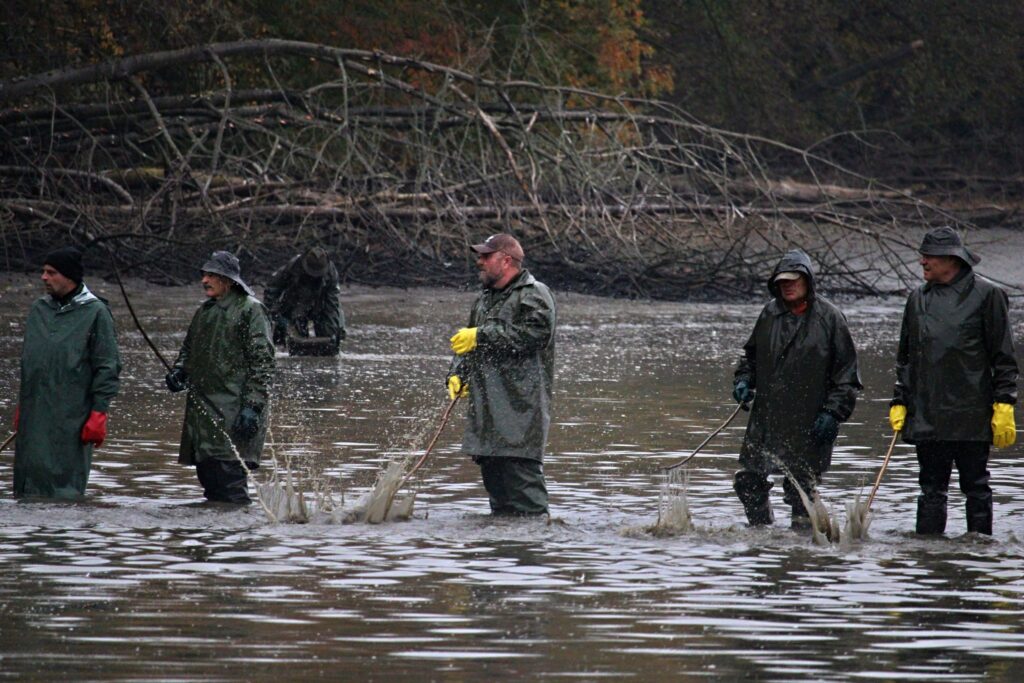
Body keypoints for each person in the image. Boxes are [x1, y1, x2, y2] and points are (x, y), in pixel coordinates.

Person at [889, 227, 1018, 536]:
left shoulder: (987, 295)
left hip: (972, 414)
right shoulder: (917, 298)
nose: (922, 262)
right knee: (931, 490)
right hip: (928, 413)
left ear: (951, 259)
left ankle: (979, 550)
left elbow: (1003, 356)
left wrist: (1004, 402)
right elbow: (906, 358)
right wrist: (900, 399)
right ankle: (929, 554)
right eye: (922, 256)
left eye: (929, 256)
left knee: (976, 487)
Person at [732, 249, 861, 528]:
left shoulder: (830, 318)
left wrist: (833, 413)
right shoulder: (769, 314)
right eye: (782, 281)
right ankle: (761, 535)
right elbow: (750, 358)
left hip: (810, 421)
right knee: (748, 481)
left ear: (807, 280)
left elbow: (847, 377)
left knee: (800, 491)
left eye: (793, 280)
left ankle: (804, 544)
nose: (787, 286)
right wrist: (743, 380)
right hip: (766, 420)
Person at [446, 233, 556, 516]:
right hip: (487, 419)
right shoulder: (484, 300)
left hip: (520, 417)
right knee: (501, 507)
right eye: (479, 256)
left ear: (506, 260)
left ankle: (535, 545)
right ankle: (501, 545)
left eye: (486, 256)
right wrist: (457, 374)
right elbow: (467, 345)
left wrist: (482, 335)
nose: (479, 261)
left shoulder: (534, 293)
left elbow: (536, 334)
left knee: (528, 508)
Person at [165, 251, 275, 504]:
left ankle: (238, 528)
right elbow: (188, 350)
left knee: (231, 485)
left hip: (234, 412)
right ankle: (215, 529)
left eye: (211, 275)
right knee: (210, 483)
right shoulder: (205, 311)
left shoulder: (251, 309)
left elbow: (263, 363)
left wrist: (252, 406)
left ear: (228, 280)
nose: (204, 280)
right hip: (202, 414)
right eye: (204, 274)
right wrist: (179, 371)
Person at [13, 247, 122, 499]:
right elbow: (29, 363)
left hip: (72, 417)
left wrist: (99, 412)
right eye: (43, 271)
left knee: (63, 492)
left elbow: (108, 366)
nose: (44, 277)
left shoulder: (96, 312)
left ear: (69, 276)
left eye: (51, 273)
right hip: (34, 413)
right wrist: (23, 404)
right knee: (27, 488)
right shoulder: (39, 310)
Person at [263, 246, 345, 354]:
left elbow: (332, 305)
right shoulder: (292, 267)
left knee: (330, 338)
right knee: (293, 343)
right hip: (294, 304)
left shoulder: (331, 274)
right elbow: (272, 289)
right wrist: (272, 313)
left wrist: (333, 331)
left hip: (320, 306)